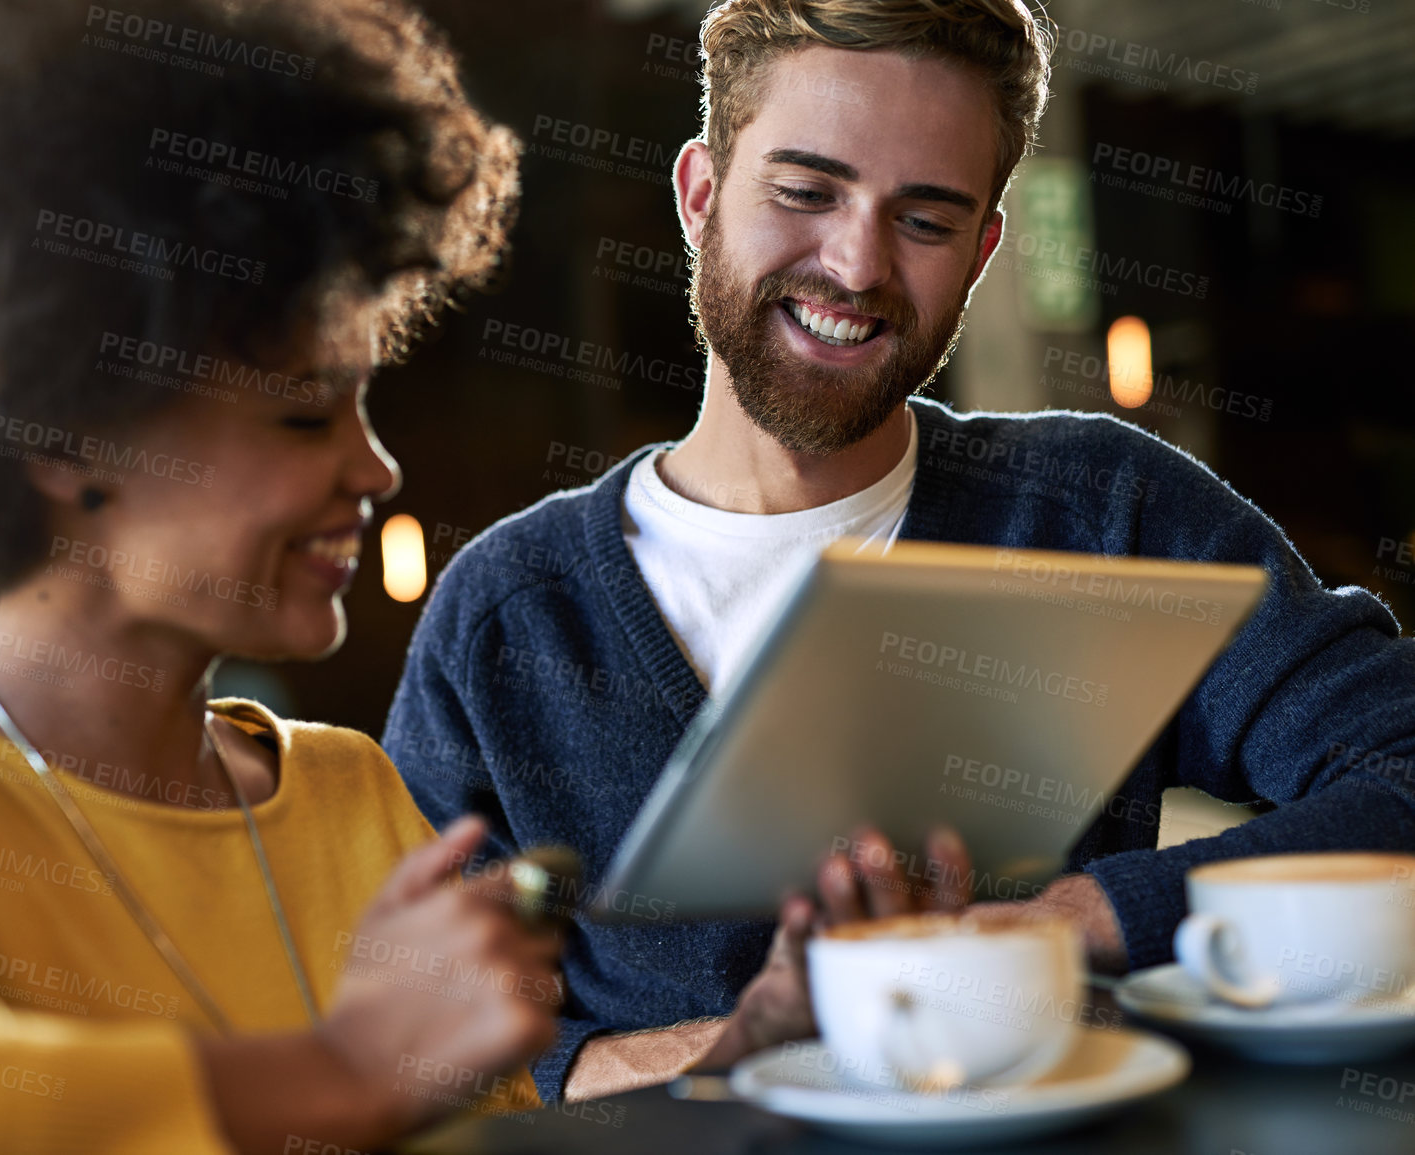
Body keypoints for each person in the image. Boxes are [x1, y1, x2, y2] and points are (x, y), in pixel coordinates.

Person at [384, 0, 1415, 1103]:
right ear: (698, 195)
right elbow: (407, 1030)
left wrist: (1067, 923)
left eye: (924, 221)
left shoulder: (1101, 515)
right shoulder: (508, 612)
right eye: (805, 191)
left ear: (981, 253)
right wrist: (737, 1054)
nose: (856, 264)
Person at [0, 0, 563, 1151]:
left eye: (365, 407)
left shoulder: (354, 797)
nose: (378, 468)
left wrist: (742, 1045)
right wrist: (331, 1073)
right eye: (305, 417)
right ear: (63, 430)